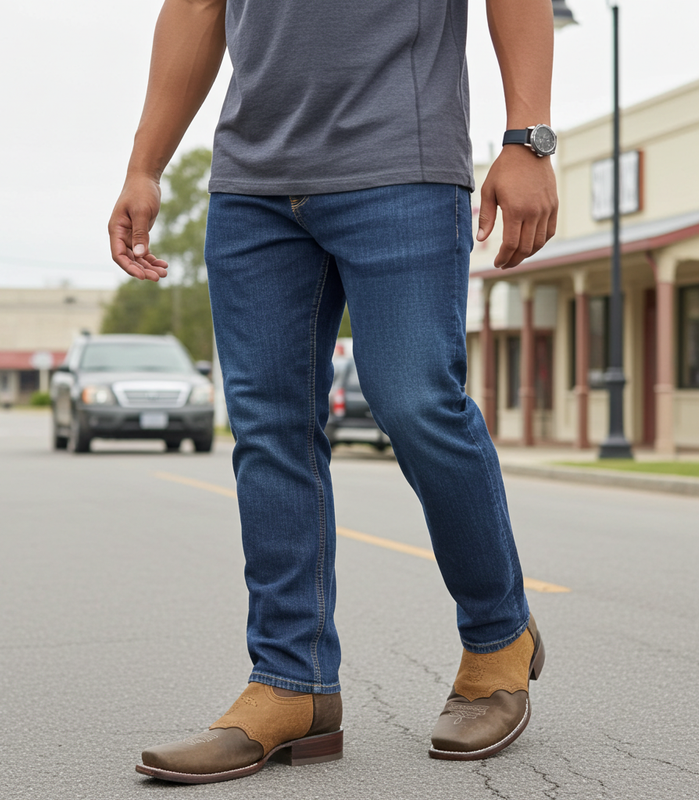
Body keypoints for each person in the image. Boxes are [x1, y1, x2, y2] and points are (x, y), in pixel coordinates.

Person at [109, 0, 558, 783]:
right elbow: (195, 6)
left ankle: (498, 637)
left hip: (402, 165)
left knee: (416, 400)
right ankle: (293, 683)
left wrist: (528, 138)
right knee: (269, 430)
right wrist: (145, 164)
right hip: (252, 187)